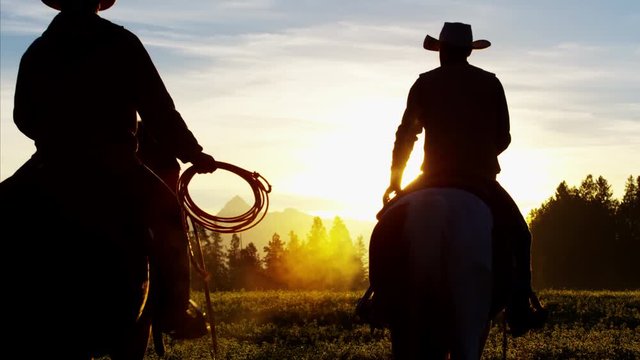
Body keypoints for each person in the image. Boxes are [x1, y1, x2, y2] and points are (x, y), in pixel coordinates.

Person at [9, 0, 216, 340]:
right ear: (96, 2)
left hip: (51, 161)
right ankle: (175, 311)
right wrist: (192, 152)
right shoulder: (122, 43)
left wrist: (57, 138)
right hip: (116, 164)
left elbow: (23, 117)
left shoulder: (37, 50)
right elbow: (158, 109)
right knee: (168, 215)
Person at [383, 22, 545, 337]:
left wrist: (396, 178)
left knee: (387, 225)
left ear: (441, 52)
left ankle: (379, 297)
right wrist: (481, 153)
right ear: (469, 52)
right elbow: (504, 137)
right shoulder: (490, 84)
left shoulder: (424, 84)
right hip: (479, 179)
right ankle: (519, 306)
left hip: (431, 177)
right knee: (520, 236)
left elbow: (407, 134)